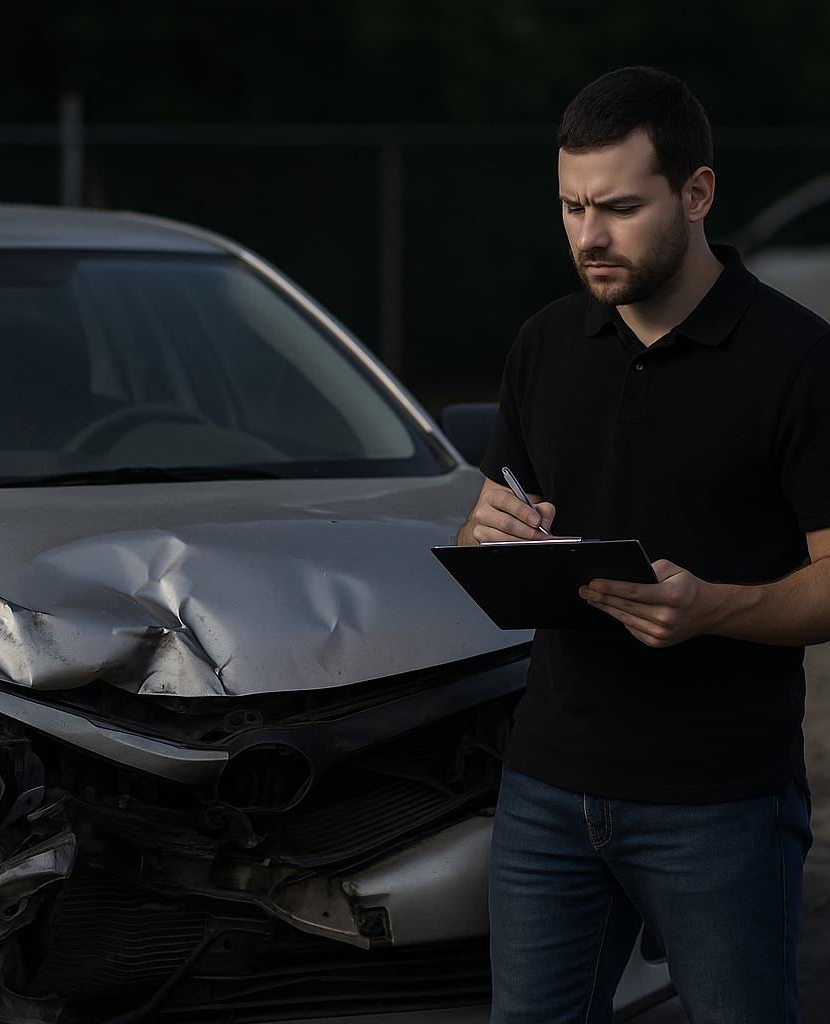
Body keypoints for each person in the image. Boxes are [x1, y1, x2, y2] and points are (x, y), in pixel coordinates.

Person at [458, 66, 830, 1023]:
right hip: (544, 787)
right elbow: (499, 518)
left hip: (720, 803)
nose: (588, 236)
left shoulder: (800, 360)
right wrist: (483, 531)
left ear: (697, 193)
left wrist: (712, 607)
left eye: (620, 207)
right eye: (573, 206)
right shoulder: (545, 341)